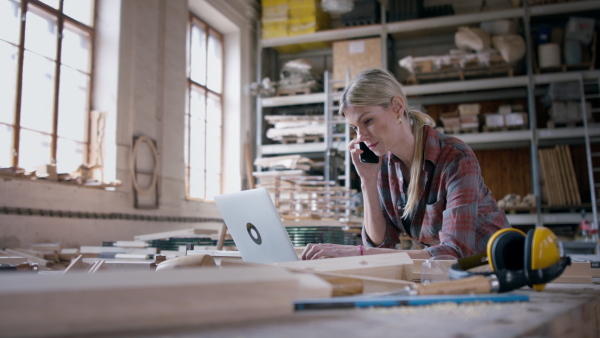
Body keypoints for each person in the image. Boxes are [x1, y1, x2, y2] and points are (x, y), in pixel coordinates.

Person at [302, 68, 511, 260]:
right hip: (451, 273)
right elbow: (382, 243)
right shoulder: (384, 164)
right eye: (354, 128)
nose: (361, 136)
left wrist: (357, 252)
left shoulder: (455, 157)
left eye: (367, 121)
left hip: (498, 267)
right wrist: (367, 181)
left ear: (397, 107)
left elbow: (454, 251)